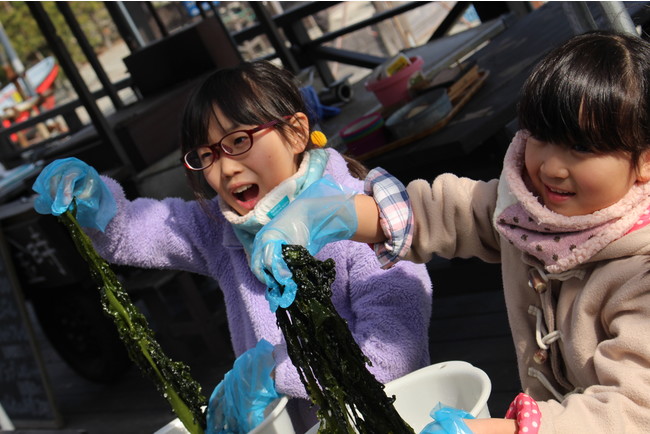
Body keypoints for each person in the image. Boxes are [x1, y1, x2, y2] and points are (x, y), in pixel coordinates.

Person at [253, 31, 650, 433]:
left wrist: (492, 430)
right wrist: (332, 214)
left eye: (581, 147)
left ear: (645, 160)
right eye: (541, 137)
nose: (551, 167)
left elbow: (632, 411)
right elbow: (444, 213)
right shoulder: (528, 214)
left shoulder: (641, 275)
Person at [31, 60, 433, 432]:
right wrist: (96, 201)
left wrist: (273, 375)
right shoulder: (223, 232)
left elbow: (392, 358)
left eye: (239, 140)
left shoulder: (363, 222)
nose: (224, 168)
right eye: (205, 155)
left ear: (296, 132)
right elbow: (135, 232)